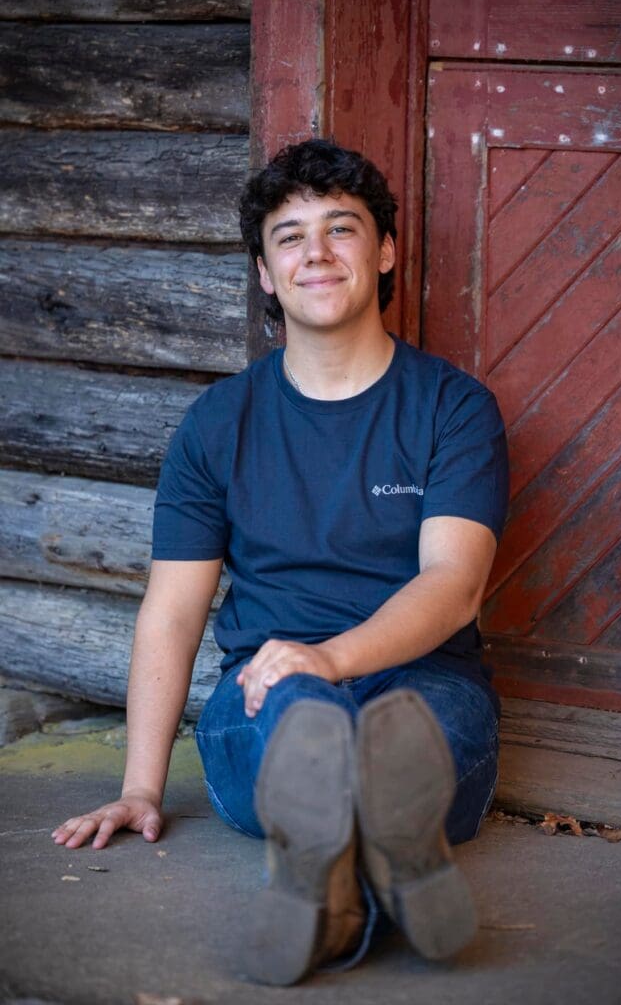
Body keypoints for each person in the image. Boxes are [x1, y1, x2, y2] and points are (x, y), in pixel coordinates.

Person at [52, 139, 509, 985]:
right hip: (267, 690)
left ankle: (328, 894)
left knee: (398, 739)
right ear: (265, 271)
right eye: (290, 236)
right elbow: (174, 611)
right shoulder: (217, 423)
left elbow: (453, 586)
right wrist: (141, 787)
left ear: (385, 252)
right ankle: (393, 870)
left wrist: (330, 657)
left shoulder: (451, 406)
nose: (318, 253)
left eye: (342, 228)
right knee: (300, 718)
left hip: (425, 686)